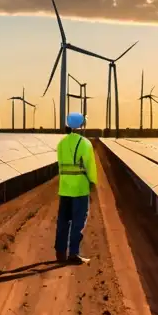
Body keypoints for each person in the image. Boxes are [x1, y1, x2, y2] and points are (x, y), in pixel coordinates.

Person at [54, 112, 97, 264]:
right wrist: (93, 182)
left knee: (63, 221)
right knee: (78, 222)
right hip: (79, 188)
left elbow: (60, 165)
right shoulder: (85, 144)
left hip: (64, 187)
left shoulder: (61, 143)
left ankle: (60, 252)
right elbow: (90, 165)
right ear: (81, 124)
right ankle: (73, 253)